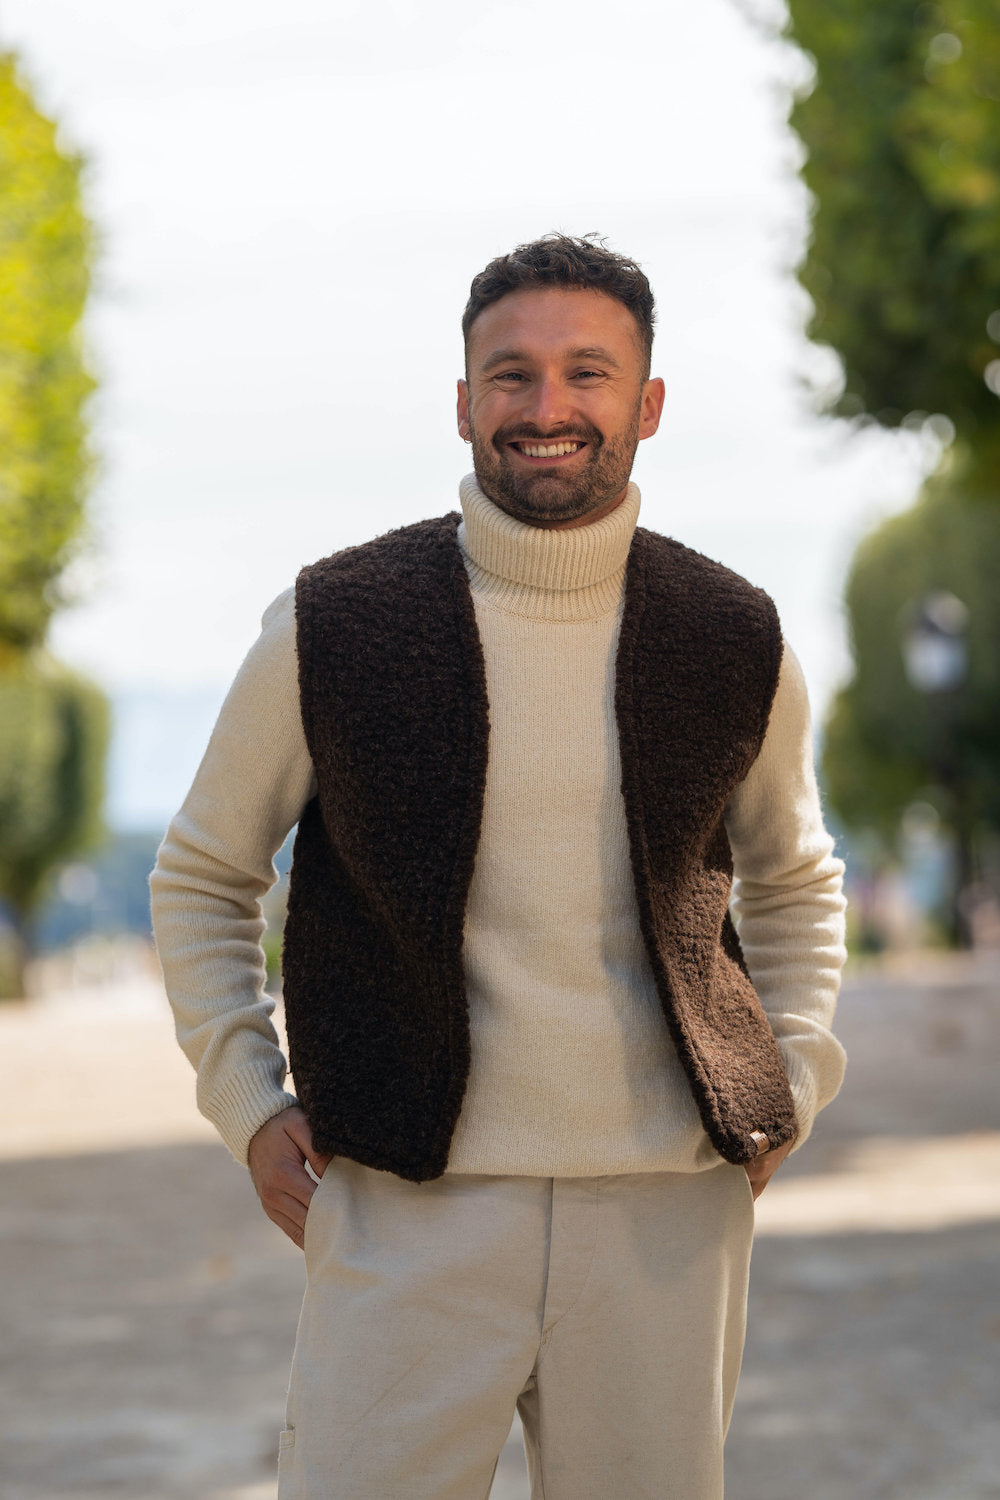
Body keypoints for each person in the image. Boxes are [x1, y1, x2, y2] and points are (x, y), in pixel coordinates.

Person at [151, 233, 846, 1500]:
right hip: (405, 1204)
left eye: (587, 373)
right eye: (510, 375)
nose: (547, 407)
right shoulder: (335, 624)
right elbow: (203, 871)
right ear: (463, 403)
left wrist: (789, 1071)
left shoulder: (731, 633)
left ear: (646, 405)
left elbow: (794, 877)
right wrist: (246, 1102)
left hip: (665, 1214)